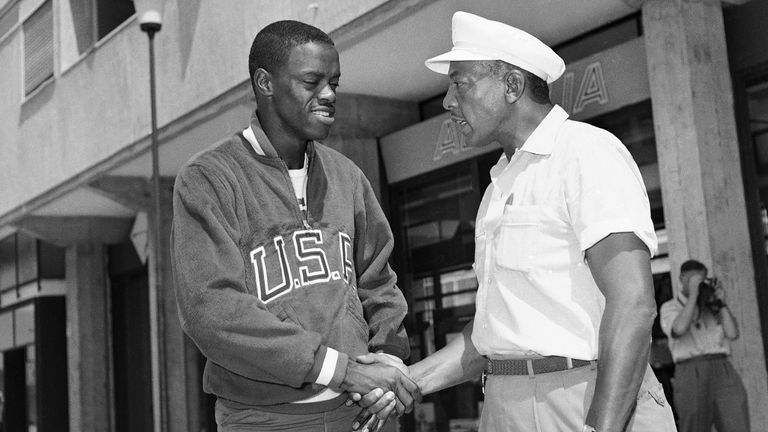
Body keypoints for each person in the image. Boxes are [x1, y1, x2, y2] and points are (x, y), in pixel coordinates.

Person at [352, 11, 677, 432]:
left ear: (511, 85)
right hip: (505, 406)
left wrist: (602, 426)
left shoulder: (584, 152)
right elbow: (495, 334)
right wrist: (406, 382)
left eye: (460, 83)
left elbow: (633, 302)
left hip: (587, 400)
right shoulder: (497, 187)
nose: (449, 101)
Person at [171, 20, 420, 431]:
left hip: (363, 413)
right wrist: (339, 369)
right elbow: (211, 311)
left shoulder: (347, 176)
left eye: (334, 83)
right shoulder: (210, 178)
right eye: (312, 81)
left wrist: (389, 354)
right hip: (265, 418)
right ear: (265, 83)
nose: (329, 95)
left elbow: (379, 281)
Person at [660, 260, 749, 432]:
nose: (700, 284)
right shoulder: (671, 307)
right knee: (694, 425)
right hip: (690, 369)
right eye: (695, 280)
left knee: (736, 420)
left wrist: (721, 303)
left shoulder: (712, 305)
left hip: (722, 367)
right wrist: (693, 295)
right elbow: (678, 329)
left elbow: (733, 334)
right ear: (682, 279)